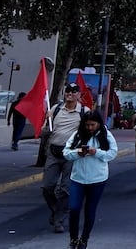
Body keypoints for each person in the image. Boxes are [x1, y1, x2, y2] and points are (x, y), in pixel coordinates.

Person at [63, 109, 118, 249]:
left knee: (90, 210)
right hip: (78, 178)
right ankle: (73, 239)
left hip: (97, 179)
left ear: (98, 123)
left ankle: (84, 239)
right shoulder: (78, 134)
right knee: (74, 208)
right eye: (87, 125)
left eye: (93, 125)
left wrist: (96, 152)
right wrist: (77, 153)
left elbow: (112, 153)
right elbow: (66, 152)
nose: (90, 128)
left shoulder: (105, 135)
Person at [42, 82, 90, 234]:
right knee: (47, 187)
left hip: (72, 154)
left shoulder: (84, 112)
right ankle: (56, 210)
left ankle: (59, 220)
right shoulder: (55, 109)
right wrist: (47, 121)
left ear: (79, 94)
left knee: (65, 188)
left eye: (74, 91)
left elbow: (90, 130)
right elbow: (44, 130)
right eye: (68, 91)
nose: (70, 93)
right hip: (53, 152)